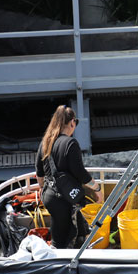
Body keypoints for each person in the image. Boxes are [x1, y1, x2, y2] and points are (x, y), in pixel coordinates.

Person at [35, 105, 103, 248]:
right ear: (72, 122)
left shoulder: (44, 143)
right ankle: (62, 265)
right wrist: (96, 189)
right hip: (64, 198)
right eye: (75, 123)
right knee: (61, 240)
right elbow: (80, 172)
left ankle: (76, 252)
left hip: (49, 196)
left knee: (74, 228)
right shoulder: (70, 143)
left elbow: (39, 174)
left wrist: (44, 188)